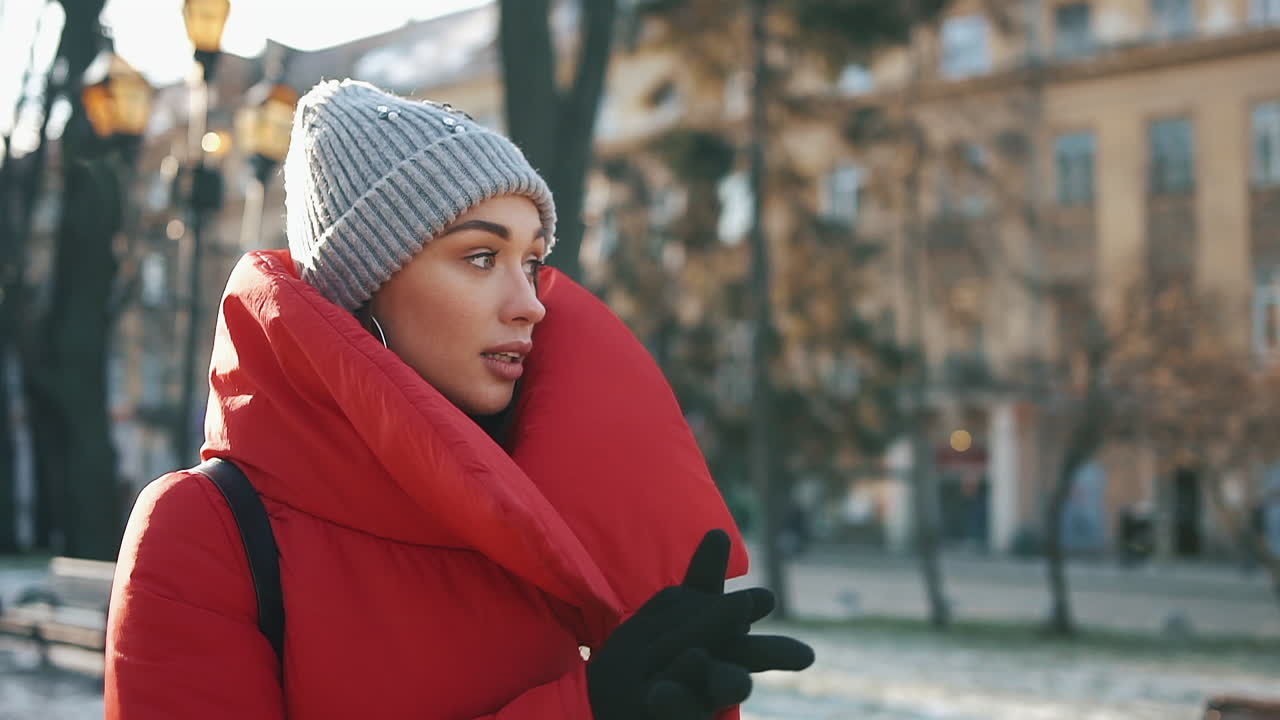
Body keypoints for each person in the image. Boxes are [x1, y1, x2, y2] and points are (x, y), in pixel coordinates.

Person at [104, 79, 813, 719]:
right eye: (481, 257)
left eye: (533, 262)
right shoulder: (205, 530)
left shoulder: (535, 523)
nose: (530, 304)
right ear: (362, 285)